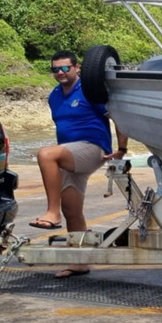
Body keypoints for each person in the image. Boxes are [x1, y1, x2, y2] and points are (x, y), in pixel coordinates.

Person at [30, 50, 128, 278]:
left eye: (65, 68)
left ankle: (51, 212)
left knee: (46, 155)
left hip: (92, 148)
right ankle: (80, 262)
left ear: (77, 68)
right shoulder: (54, 96)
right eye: (56, 69)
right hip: (69, 154)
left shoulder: (89, 90)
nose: (61, 73)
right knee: (72, 210)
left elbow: (118, 117)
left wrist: (121, 149)